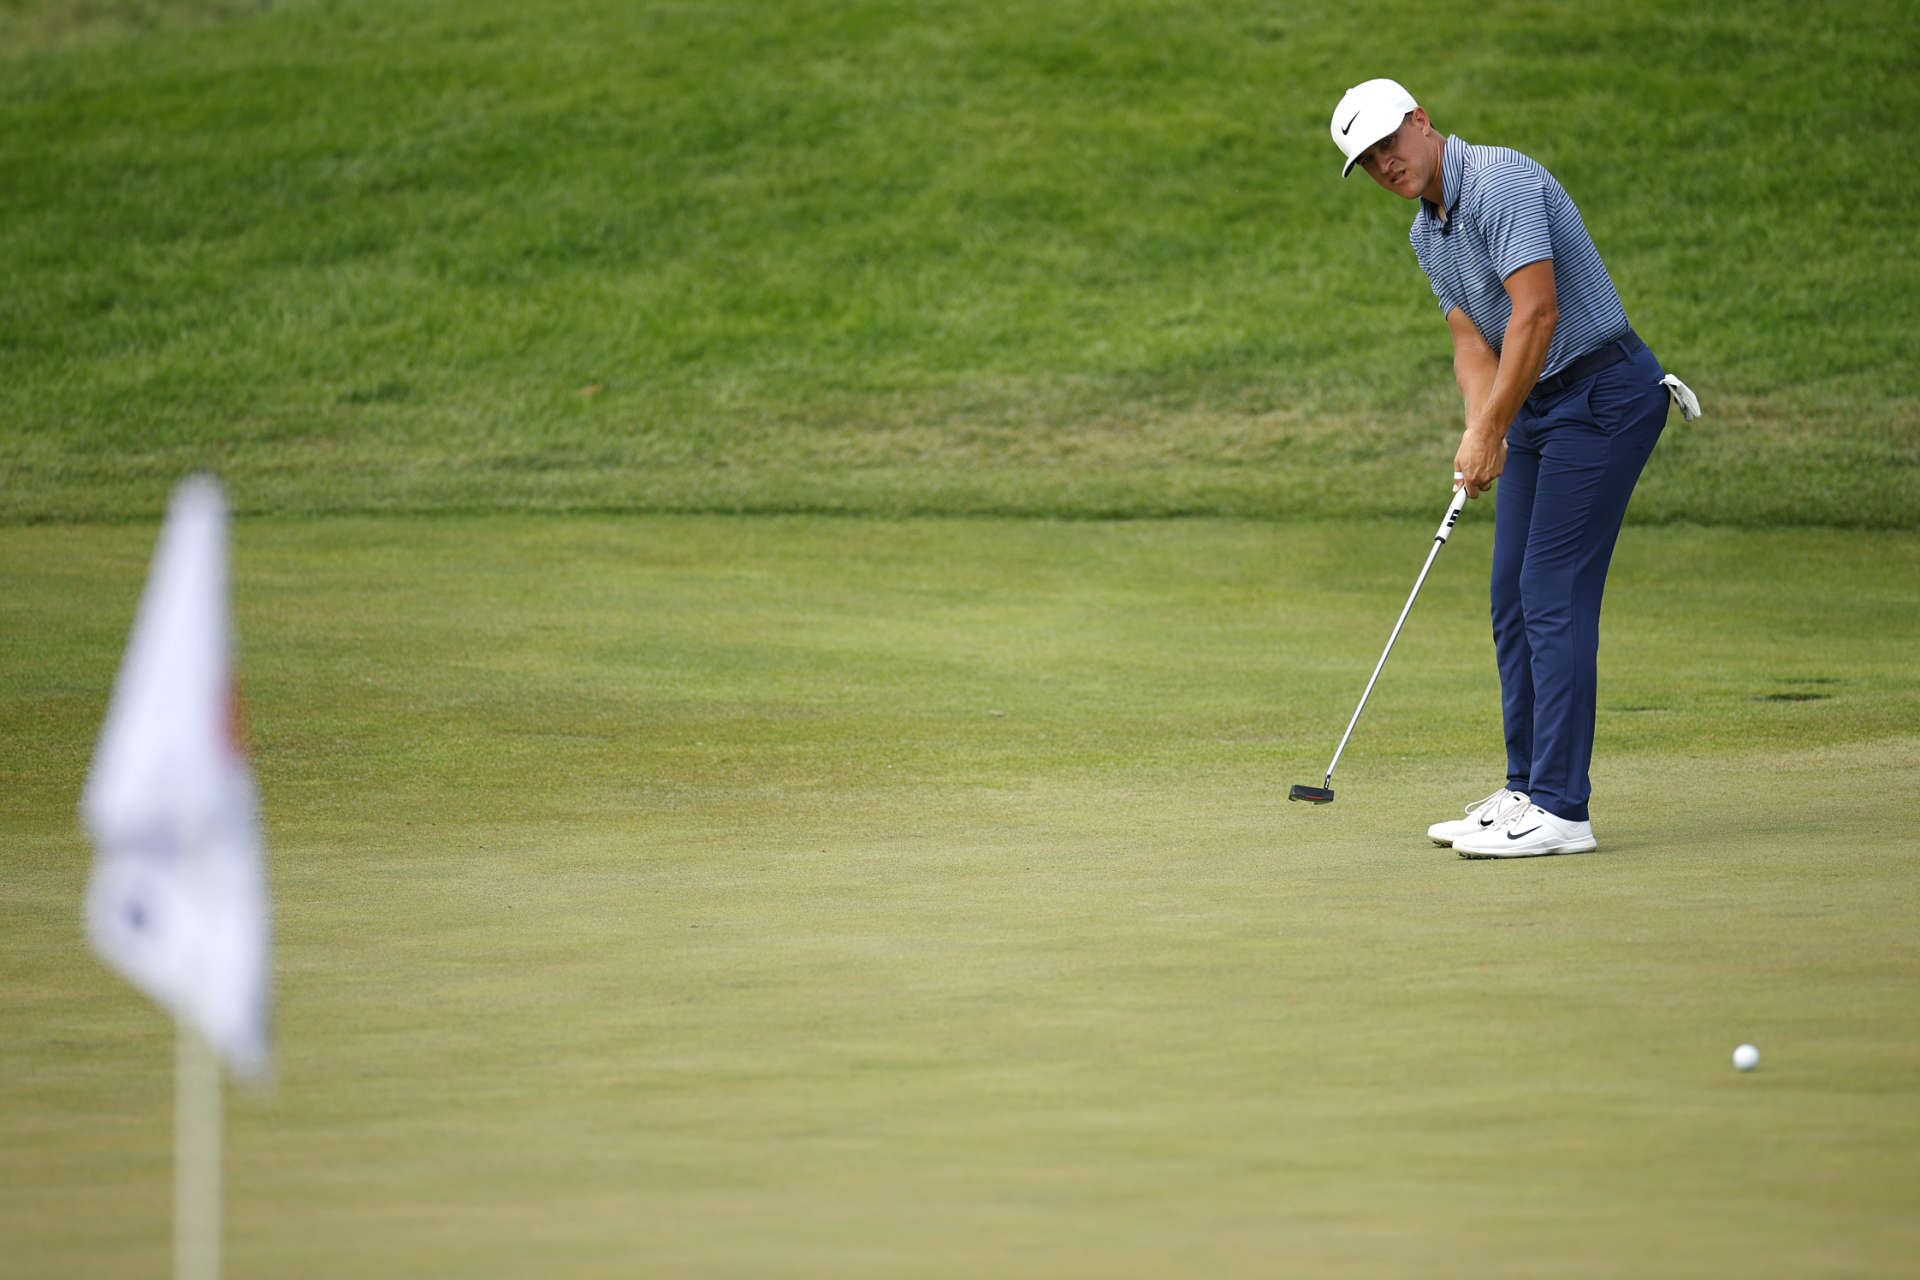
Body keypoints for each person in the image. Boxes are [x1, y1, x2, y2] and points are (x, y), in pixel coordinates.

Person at [1328, 78, 1697, 859]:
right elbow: (1474, 341)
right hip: (1535, 404)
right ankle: (1526, 787)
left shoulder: (1500, 181)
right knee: (1510, 594)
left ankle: (1565, 810)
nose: (1385, 165)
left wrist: (1495, 422)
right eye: (1368, 161)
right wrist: (1479, 429)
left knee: (1551, 589)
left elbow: (1538, 312)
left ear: (1422, 123)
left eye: (1390, 145)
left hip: (1602, 396)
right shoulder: (1427, 234)